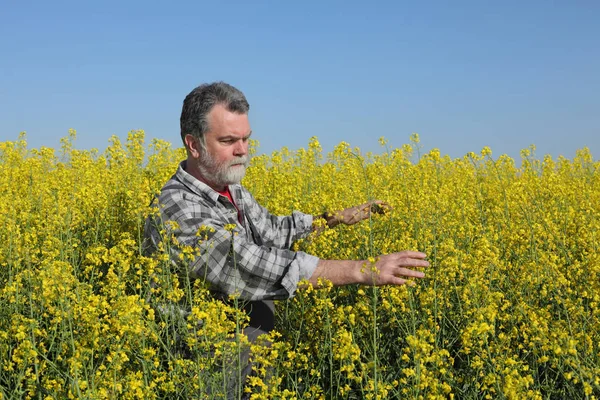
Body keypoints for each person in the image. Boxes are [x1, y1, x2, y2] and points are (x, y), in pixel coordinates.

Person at [143, 81, 428, 396]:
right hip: (204, 360)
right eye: (228, 140)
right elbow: (246, 262)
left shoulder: (228, 187)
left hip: (244, 343)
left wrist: (332, 219)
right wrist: (360, 269)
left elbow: (271, 231)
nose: (242, 150)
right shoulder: (178, 206)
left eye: (245, 139)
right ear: (193, 145)